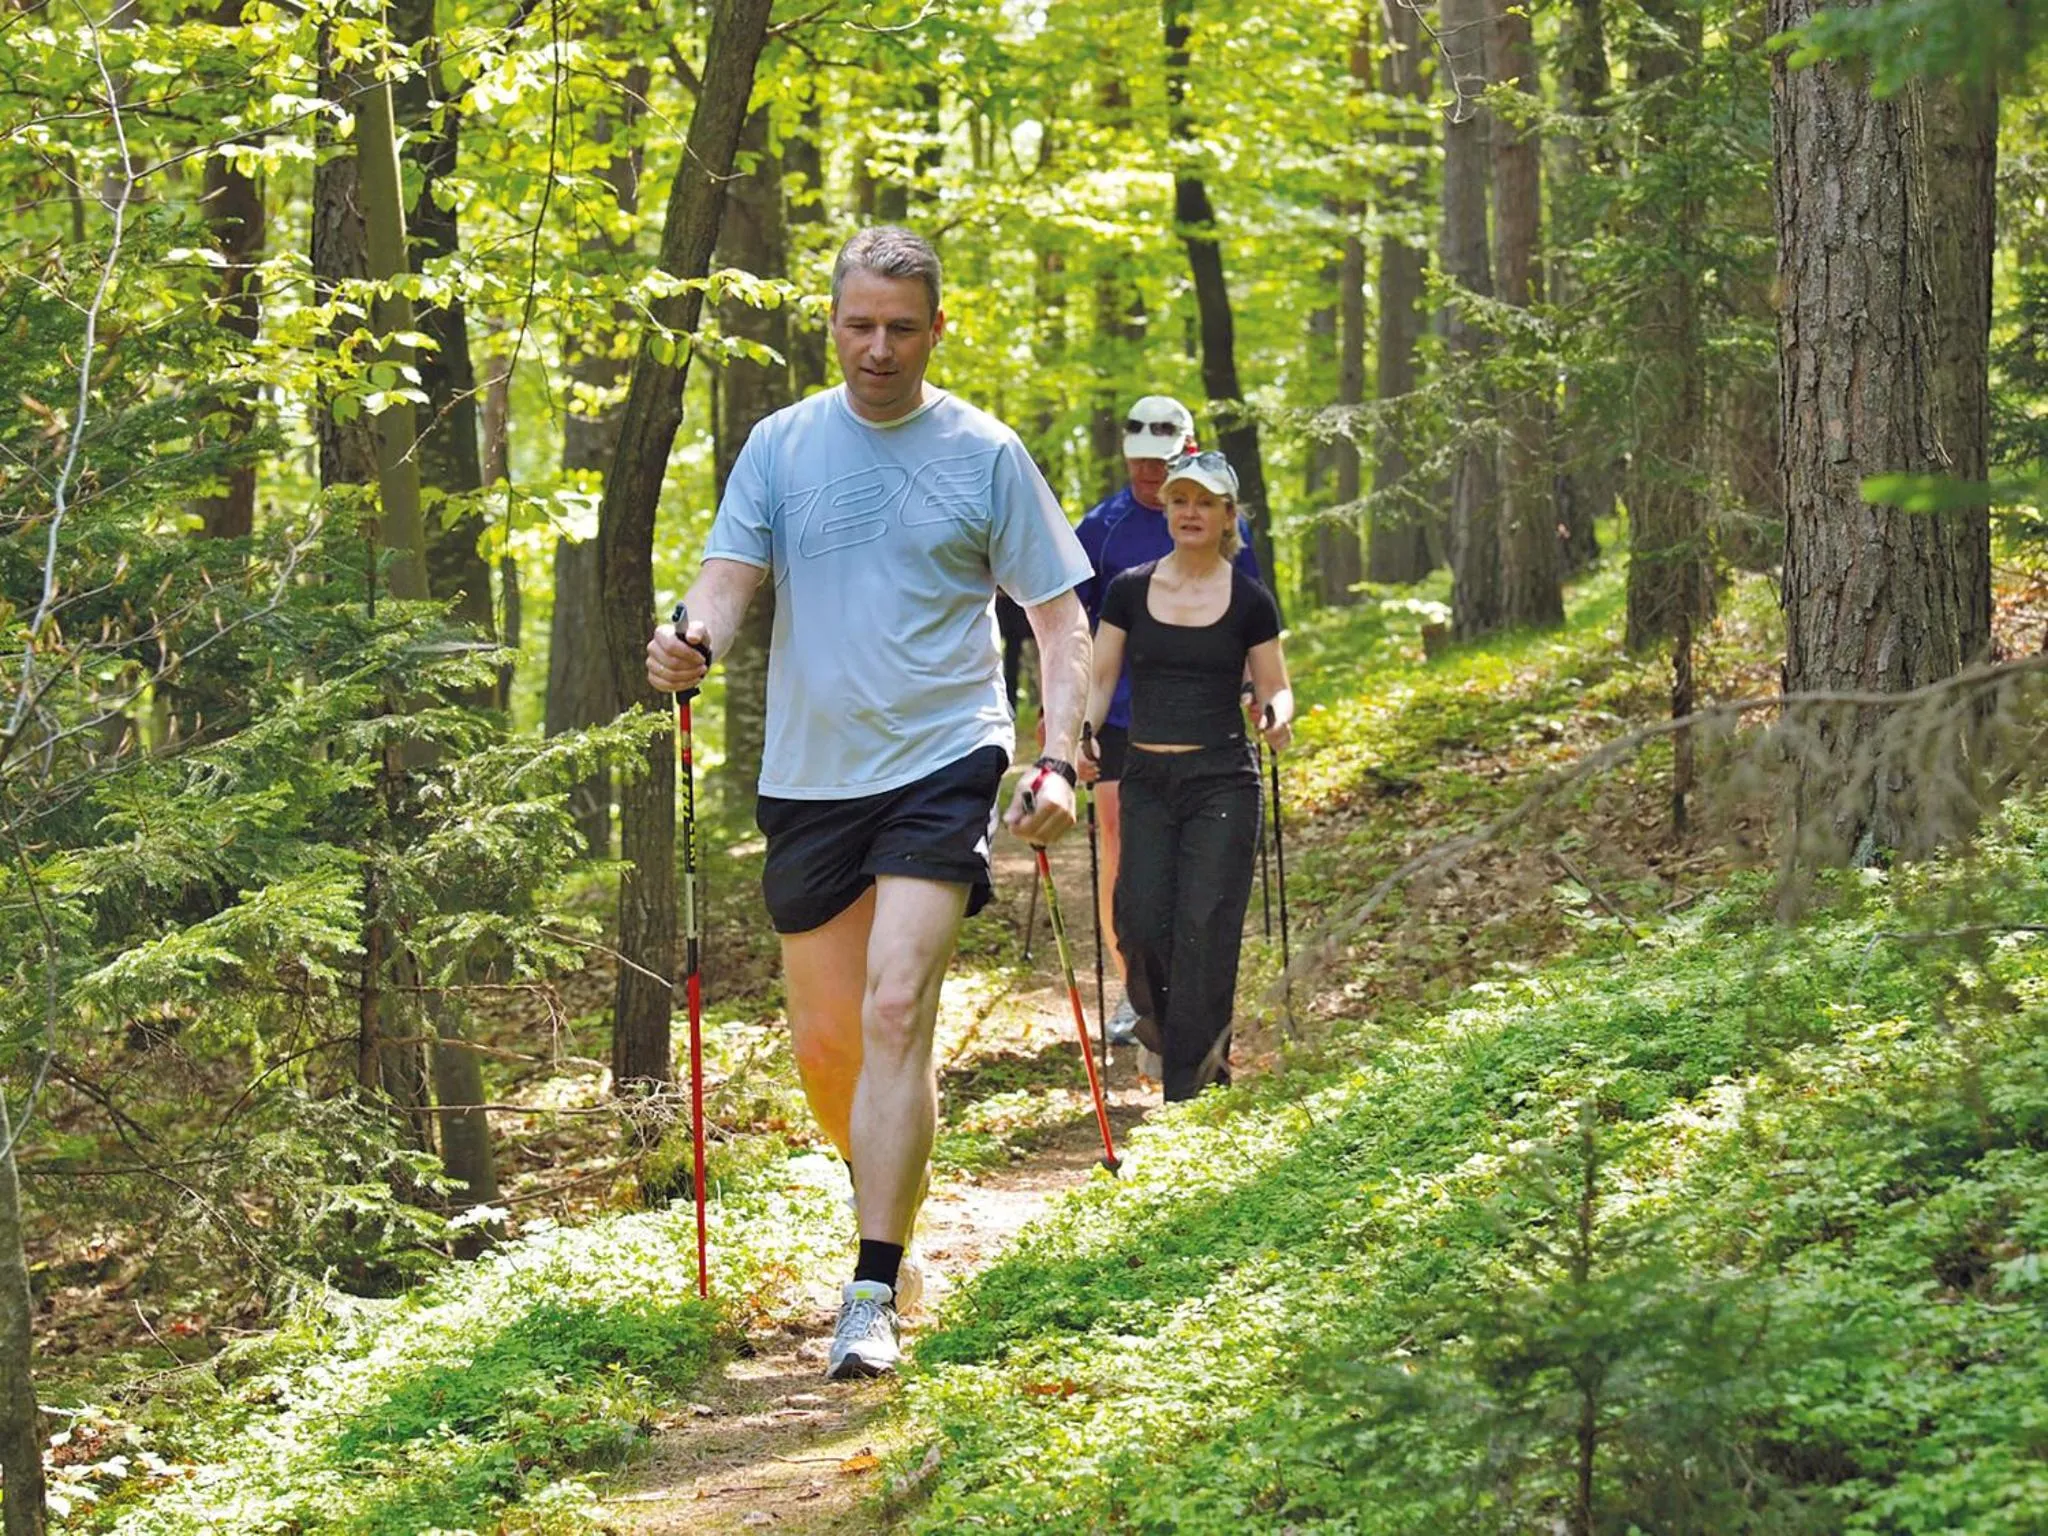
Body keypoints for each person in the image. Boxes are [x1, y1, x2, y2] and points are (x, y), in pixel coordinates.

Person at [645, 227, 1092, 1380]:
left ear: (936, 329)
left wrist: (1058, 758)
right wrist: (692, 640)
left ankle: (871, 1285)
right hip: (809, 774)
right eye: (859, 325)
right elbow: (729, 581)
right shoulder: (781, 447)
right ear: (830, 326)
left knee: (898, 1007)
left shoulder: (984, 452)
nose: (878, 347)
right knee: (832, 1046)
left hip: (943, 753)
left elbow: (1057, 619)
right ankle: (885, 1190)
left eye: (901, 327)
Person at [1081, 449, 1291, 1102]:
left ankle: (1194, 1089)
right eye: (1179, 500)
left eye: (1204, 502)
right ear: (1166, 508)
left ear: (1229, 517)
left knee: (1206, 924)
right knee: (1140, 923)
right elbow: (1103, 674)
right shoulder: (1130, 590)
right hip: (1146, 776)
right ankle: (1174, 1040)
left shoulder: (1250, 601)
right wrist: (1083, 733)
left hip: (1222, 779)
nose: (1190, 512)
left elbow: (1275, 686)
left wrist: (1277, 717)